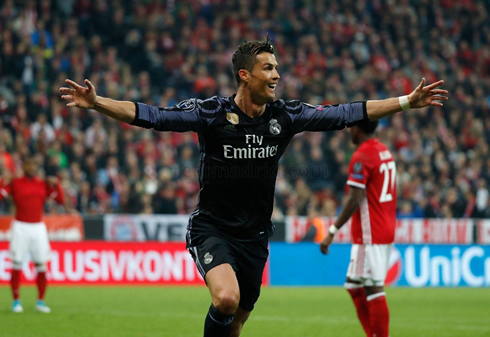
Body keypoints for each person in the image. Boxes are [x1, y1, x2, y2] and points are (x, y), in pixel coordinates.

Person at [60, 37, 447, 337]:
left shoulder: (286, 116)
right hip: (212, 228)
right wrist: (98, 104)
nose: (277, 75)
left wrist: (405, 102)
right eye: (267, 68)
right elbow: (153, 116)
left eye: (277, 67)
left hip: (255, 236)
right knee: (226, 299)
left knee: (236, 323)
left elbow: (347, 112)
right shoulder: (211, 112)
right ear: (245, 74)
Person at [320, 119, 395, 337]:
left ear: (357, 129)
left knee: (373, 287)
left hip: (371, 231)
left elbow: (355, 198)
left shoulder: (363, 155)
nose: (349, 131)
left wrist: (332, 232)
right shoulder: (384, 151)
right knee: (353, 285)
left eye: (351, 127)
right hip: (384, 226)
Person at [0, 158, 65, 313]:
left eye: (35, 165)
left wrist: (56, 183)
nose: (32, 167)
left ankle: (40, 301)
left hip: (38, 227)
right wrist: (3, 181)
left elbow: (60, 200)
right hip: (20, 226)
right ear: (24, 166)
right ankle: (16, 301)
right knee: (17, 263)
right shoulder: (15, 182)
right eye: (30, 164)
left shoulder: (42, 183)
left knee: (41, 264)